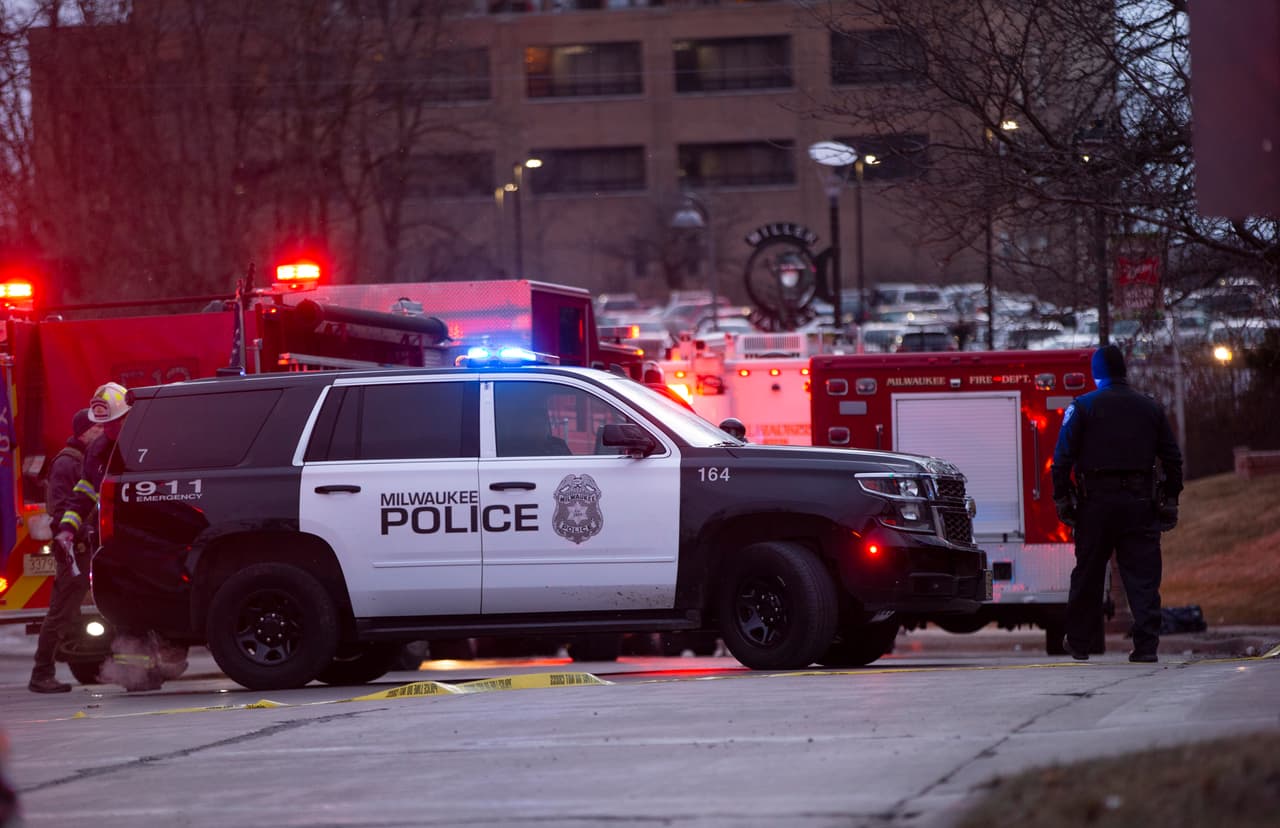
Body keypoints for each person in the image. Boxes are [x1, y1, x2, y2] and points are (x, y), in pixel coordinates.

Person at [1050, 345, 1183, 663]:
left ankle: (1079, 642)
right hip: (1140, 502)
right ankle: (1146, 646)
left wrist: (1063, 498)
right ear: (1123, 371)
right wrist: (1170, 498)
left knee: (1089, 573)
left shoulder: (1083, 406)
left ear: (1097, 373)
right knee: (1143, 576)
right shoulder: (1150, 408)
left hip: (1096, 503)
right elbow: (1172, 458)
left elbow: (1061, 459)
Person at [28, 409, 103, 693]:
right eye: (96, 428)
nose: (102, 432)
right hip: (75, 550)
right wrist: (82, 532)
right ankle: (41, 674)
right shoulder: (66, 463)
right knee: (61, 612)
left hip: (87, 547)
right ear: (83, 432)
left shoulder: (87, 460)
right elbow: (61, 509)